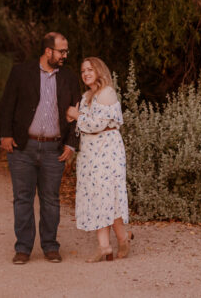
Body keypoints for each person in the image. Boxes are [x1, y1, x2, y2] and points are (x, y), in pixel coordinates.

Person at [0, 32, 81, 264]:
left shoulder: (69, 77)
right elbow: (6, 105)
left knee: (51, 200)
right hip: (22, 147)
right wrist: (5, 134)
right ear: (48, 51)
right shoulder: (21, 73)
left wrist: (71, 144)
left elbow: (77, 112)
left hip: (54, 149)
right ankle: (23, 248)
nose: (65, 55)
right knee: (22, 198)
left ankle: (50, 246)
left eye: (66, 51)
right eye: (61, 51)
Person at [66, 57, 132, 262]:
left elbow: (96, 124)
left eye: (90, 69)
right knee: (96, 196)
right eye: (83, 70)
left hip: (107, 151)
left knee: (108, 195)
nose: (85, 73)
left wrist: (77, 116)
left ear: (99, 71)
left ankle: (122, 238)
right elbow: (81, 123)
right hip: (89, 152)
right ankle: (104, 247)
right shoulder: (86, 96)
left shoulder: (107, 93)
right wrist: (73, 117)